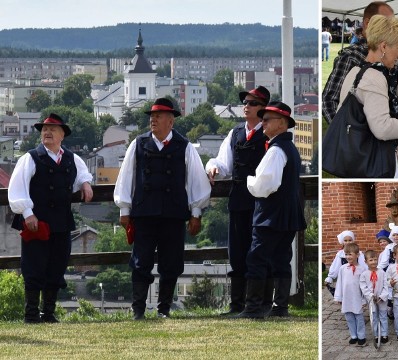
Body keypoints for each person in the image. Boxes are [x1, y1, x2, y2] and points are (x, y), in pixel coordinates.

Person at [114, 98, 211, 320]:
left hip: (173, 214)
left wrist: (196, 213)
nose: (153, 120)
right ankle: (138, 309)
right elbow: (126, 178)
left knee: (171, 263)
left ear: (171, 121)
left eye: (158, 116)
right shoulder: (137, 144)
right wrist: (124, 210)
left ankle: (163, 309)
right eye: (152, 116)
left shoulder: (185, 146)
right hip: (144, 213)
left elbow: (197, 181)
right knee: (141, 262)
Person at [8, 113, 93, 323]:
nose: (47, 132)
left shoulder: (72, 158)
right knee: (34, 267)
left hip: (61, 222)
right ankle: (31, 314)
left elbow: (83, 173)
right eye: (44, 130)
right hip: (36, 222)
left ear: (62, 135)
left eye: (52, 129)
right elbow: (17, 188)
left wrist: (85, 183)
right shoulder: (30, 158)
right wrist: (27, 213)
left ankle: (48, 313)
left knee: (57, 266)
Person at [238, 101, 307, 318]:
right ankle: (280, 307)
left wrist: (249, 181)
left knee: (256, 259)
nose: (263, 123)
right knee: (281, 259)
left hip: (270, 214)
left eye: (267, 120)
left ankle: (253, 308)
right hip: (286, 214)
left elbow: (265, 185)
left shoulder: (276, 150)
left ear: (282, 123)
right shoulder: (289, 148)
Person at [205, 85, 270, 316]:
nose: (246, 106)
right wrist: (212, 167)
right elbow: (223, 163)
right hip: (239, 201)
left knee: (259, 254)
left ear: (263, 109)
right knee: (237, 253)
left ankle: (260, 304)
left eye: (252, 103)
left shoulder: (269, 134)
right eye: (245, 102)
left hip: (262, 203)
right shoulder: (235, 133)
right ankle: (236, 305)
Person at [337, 15, 398, 178]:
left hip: (356, 156)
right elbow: (382, 128)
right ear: (383, 46)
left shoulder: (355, 71)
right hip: (373, 161)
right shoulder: (374, 77)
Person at [322, 1, 394, 123]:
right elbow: (329, 100)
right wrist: (347, 135)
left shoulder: (386, 54)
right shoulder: (351, 56)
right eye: (386, 23)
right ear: (367, 23)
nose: (391, 29)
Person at [334, 243, 367, 346]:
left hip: (357, 296)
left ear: (357, 255)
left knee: (359, 317)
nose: (348, 257)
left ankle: (361, 336)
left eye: (350, 254)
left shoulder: (362, 269)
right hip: (346, 297)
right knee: (349, 317)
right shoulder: (343, 268)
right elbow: (339, 283)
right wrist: (339, 297)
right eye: (346, 254)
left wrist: (364, 299)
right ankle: (353, 335)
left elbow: (364, 286)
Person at [359, 250, 390, 344]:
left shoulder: (382, 273)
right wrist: (371, 296)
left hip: (381, 299)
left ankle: (384, 334)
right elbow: (363, 287)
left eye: (375, 259)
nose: (373, 262)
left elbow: (386, 286)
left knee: (383, 316)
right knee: (374, 317)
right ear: (366, 262)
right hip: (372, 300)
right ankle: (376, 334)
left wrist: (382, 296)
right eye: (371, 260)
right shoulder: (364, 274)